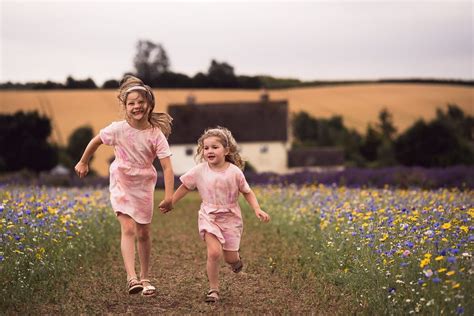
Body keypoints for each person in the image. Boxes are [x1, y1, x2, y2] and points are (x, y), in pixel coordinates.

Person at [74, 75, 174, 297]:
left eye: (140, 102)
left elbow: (167, 167)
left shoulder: (155, 134)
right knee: (128, 228)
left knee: (144, 232)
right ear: (125, 106)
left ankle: (145, 277)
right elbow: (95, 141)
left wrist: (169, 197)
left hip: (144, 185)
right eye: (131, 103)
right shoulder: (117, 129)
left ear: (149, 104)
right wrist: (83, 161)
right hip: (121, 181)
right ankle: (132, 278)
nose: (136, 106)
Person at [166, 126, 270, 303]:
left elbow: (247, 192)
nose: (209, 151)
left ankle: (236, 262)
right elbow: (185, 186)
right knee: (214, 253)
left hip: (231, 217)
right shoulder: (200, 170)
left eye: (215, 147)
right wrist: (171, 201)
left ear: (226, 150)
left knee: (230, 258)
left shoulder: (234, 172)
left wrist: (257, 209)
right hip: (209, 216)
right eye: (206, 148)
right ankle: (213, 290)